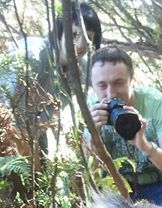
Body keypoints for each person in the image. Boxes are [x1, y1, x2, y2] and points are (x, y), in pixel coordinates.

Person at [88, 44, 162, 206]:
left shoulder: (157, 105)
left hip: (161, 186)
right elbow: (89, 175)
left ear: (132, 81)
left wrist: (145, 146)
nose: (111, 94)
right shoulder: (90, 111)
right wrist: (93, 135)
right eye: (102, 85)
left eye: (118, 83)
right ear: (92, 86)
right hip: (114, 192)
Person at [0, 2, 102, 134]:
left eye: (88, 38)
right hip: (9, 133)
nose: (80, 44)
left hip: (32, 137)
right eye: (74, 33)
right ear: (61, 30)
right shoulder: (34, 55)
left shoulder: (81, 66)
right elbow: (5, 102)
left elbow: (104, 81)